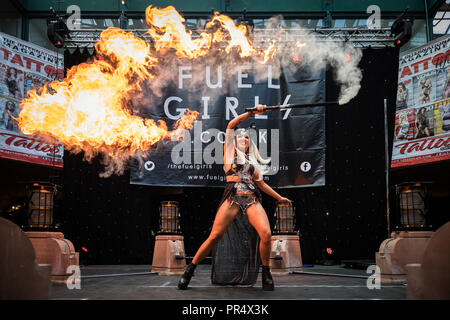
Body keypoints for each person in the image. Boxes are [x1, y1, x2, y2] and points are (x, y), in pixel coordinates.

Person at [178, 105, 292, 291]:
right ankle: (189, 271)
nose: (242, 139)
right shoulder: (229, 152)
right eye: (240, 137)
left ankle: (266, 274)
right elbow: (231, 125)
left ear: (249, 142)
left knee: (266, 234)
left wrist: (280, 198)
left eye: (246, 137)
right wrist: (251, 113)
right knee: (214, 236)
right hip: (232, 197)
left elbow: (261, 185)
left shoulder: (253, 162)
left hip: (251, 199)